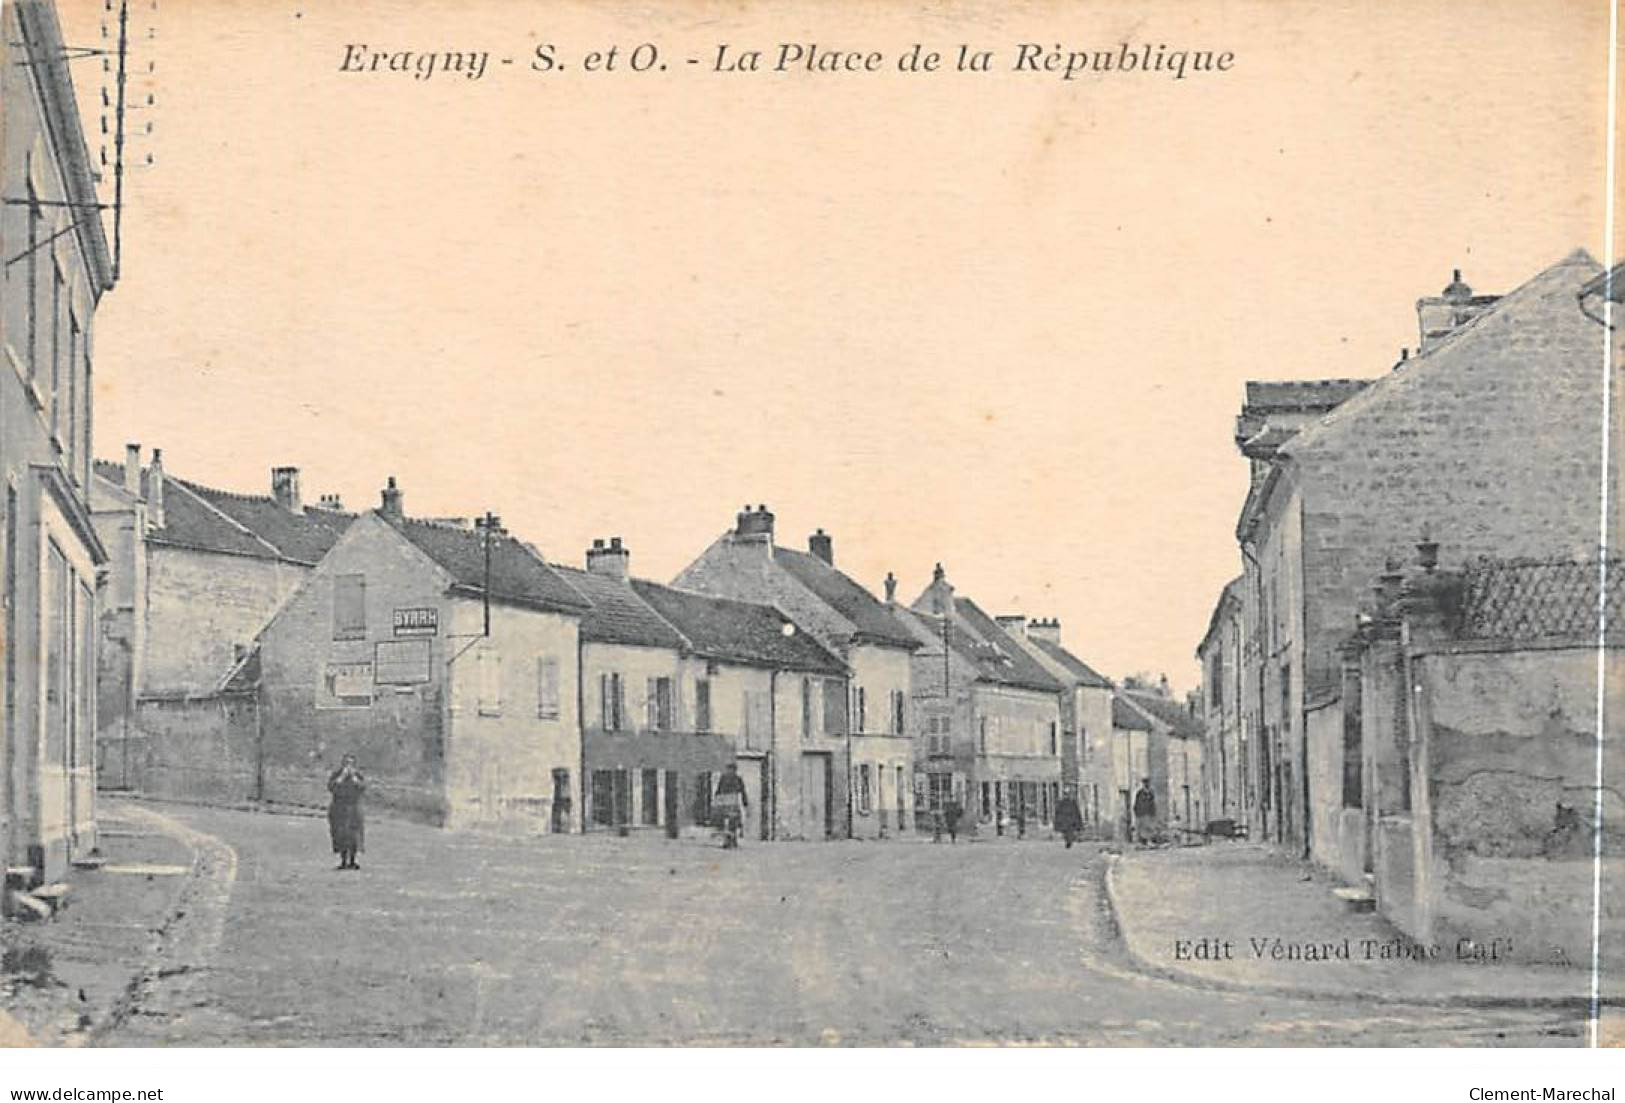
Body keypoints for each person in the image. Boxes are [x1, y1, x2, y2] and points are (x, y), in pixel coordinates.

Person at [327, 754, 366, 870]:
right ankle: (343, 860)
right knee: (340, 834)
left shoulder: (358, 776)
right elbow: (330, 787)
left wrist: (355, 780)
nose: (348, 766)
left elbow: (362, 788)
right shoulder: (337, 775)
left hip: (353, 809)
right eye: (346, 763)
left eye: (351, 763)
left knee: (353, 835)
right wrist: (340, 779)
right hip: (339, 808)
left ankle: (353, 860)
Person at [714, 763, 748, 848]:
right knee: (732, 822)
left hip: (728, 802)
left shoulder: (726, 778)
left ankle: (730, 841)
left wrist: (716, 801)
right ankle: (730, 841)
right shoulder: (736, 779)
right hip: (731, 802)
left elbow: (718, 791)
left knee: (729, 822)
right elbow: (742, 791)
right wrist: (745, 802)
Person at [1132, 777, 1158, 847]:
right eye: (1145, 783)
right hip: (1141, 813)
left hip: (1149, 813)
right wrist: (1136, 812)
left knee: (1149, 828)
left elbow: (1153, 803)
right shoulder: (1139, 793)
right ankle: (1140, 842)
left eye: (1147, 783)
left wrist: (1153, 812)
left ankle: (1149, 841)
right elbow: (1136, 803)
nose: (1146, 784)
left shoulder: (1151, 792)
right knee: (1141, 828)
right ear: (1143, 784)